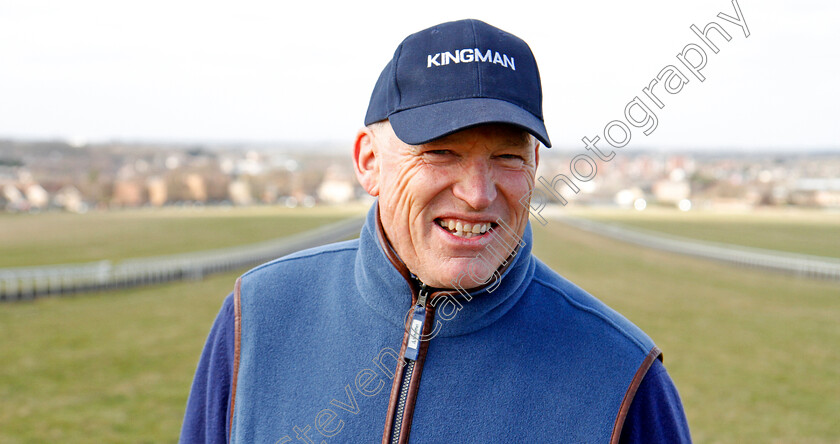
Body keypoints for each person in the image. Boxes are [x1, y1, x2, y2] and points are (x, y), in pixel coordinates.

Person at [180, 19, 691, 443]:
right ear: (369, 162)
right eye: (441, 152)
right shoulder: (257, 319)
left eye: (507, 156)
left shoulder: (623, 378)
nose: (478, 193)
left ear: (534, 167)